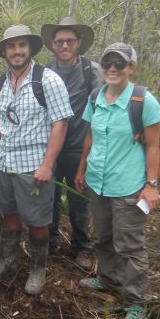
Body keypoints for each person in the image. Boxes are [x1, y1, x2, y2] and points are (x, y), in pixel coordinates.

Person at [75, 43, 160, 319]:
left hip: (128, 185)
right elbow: (90, 136)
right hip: (98, 181)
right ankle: (107, 278)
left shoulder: (142, 100)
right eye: (108, 63)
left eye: (119, 64)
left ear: (131, 67)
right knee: (103, 235)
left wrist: (151, 186)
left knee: (129, 245)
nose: (112, 69)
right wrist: (81, 167)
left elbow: (153, 146)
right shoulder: (96, 96)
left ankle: (136, 303)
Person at [0, 24, 73, 296]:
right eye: (11, 46)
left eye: (21, 45)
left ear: (30, 48)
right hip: (5, 164)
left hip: (33, 166)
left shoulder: (48, 80)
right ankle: (6, 263)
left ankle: (37, 268)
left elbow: (60, 123)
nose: (16, 51)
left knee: (37, 220)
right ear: (5, 52)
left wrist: (47, 165)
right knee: (8, 215)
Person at [40, 17, 103, 269]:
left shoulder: (91, 71)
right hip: (50, 147)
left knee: (79, 199)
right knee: (50, 198)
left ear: (78, 43)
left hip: (79, 146)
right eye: (60, 41)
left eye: (70, 41)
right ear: (53, 45)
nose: (64, 45)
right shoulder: (45, 72)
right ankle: (50, 243)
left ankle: (82, 248)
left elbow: (102, 108)